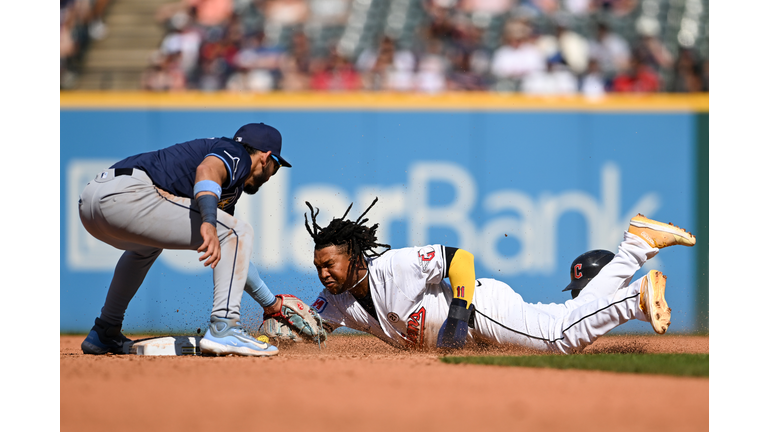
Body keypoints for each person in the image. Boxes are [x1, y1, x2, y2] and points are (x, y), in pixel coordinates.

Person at [301, 199, 695, 354]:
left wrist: (458, 310)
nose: (323, 273)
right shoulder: (337, 300)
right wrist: (273, 333)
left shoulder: (394, 266)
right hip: (474, 328)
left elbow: (460, 259)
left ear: (353, 257)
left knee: (560, 338)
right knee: (573, 312)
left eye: (329, 264)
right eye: (318, 266)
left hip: (478, 311)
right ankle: (636, 247)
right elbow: (310, 328)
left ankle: (634, 298)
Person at [78, 123, 292, 357]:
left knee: (147, 249)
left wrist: (271, 303)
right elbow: (207, 170)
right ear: (266, 158)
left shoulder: (230, 186)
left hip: (93, 203)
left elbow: (233, 256)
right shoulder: (236, 153)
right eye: (277, 166)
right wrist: (209, 221)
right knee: (238, 231)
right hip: (127, 194)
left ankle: (105, 330)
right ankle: (225, 328)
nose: (273, 174)